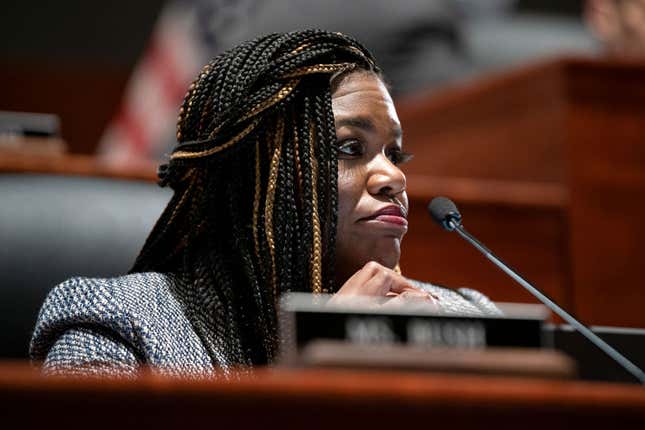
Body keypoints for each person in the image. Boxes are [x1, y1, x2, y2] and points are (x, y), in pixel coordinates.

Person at [30, 30, 499, 377]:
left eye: (395, 154)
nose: (394, 176)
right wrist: (314, 371)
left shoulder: (467, 317)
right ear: (252, 174)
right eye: (349, 148)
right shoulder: (121, 328)